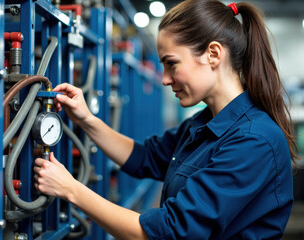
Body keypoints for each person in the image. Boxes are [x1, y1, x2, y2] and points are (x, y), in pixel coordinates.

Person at [33, 0, 298, 239]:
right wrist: (86, 119)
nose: (165, 79)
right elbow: (145, 157)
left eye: (171, 63)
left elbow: (172, 232)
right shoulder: (202, 125)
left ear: (214, 54)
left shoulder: (253, 140)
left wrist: (71, 190)